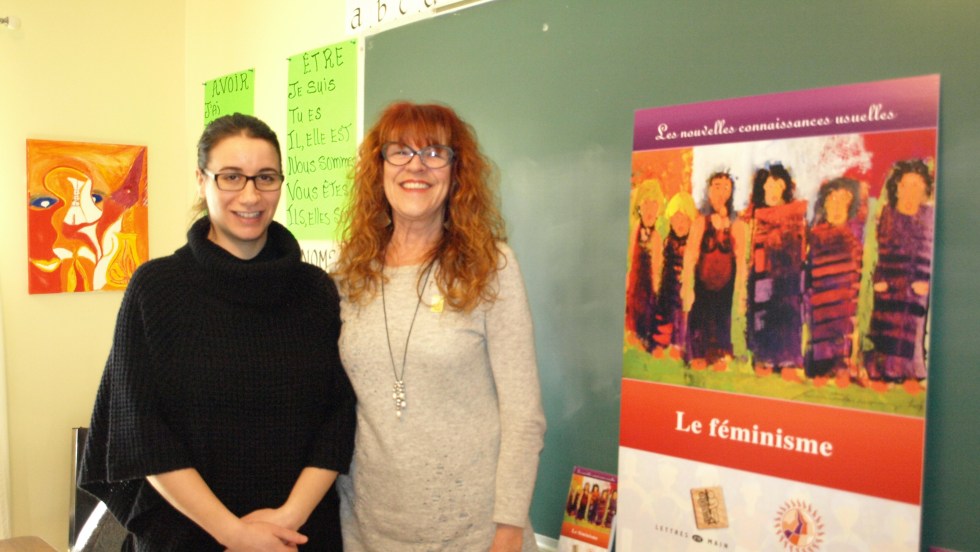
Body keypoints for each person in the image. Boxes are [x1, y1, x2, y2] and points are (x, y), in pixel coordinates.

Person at [78, 113, 356, 551]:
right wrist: (236, 535)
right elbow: (141, 432)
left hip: (297, 538)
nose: (250, 194)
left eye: (265, 177)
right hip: (186, 536)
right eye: (231, 177)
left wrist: (286, 522)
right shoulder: (156, 289)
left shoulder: (315, 291)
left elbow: (337, 419)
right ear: (201, 180)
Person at [333, 101, 546, 551]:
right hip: (367, 530)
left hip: (475, 533)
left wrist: (508, 528)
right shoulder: (350, 275)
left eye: (434, 152)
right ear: (379, 168)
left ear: (456, 171)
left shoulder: (491, 266)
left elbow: (523, 414)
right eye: (400, 151)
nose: (417, 165)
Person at [865, 159, 935, 382]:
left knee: (912, 327)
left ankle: (911, 373)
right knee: (885, 325)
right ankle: (883, 371)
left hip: (918, 284)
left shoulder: (930, 216)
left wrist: (928, 282)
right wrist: (879, 279)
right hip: (889, 281)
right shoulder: (886, 214)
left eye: (916, 185)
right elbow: (876, 252)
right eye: (905, 185)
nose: (910, 191)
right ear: (897, 187)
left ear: (925, 188)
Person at [744, 163, 807, 373]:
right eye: (767, 186)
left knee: (787, 317)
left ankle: (788, 361)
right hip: (762, 277)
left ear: (784, 187)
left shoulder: (797, 215)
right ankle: (764, 359)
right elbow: (750, 251)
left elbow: (802, 249)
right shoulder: (756, 216)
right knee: (762, 317)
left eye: (776, 186)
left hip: (788, 278)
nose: (771, 191)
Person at [681, 171, 746, 368]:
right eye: (716, 186)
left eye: (726, 187)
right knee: (699, 319)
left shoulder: (737, 225)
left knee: (721, 321)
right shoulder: (701, 223)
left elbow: (742, 260)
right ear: (708, 191)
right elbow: (690, 257)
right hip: (702, 287)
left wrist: (742, 291)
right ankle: (697, 355)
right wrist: (687, 287)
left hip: (725, 289)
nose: (721, 192)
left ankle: (719, 354)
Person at [805, 177, 864, 379]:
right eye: (832, 200)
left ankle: (844, 366)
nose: (837, 207)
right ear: (825, 204)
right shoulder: (814, 236)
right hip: (818, 311)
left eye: (843, 201)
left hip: (845, 311)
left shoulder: (855, 239)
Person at [625, 179, 665, 353]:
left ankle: (646, 339)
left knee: (647, 315)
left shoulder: (656, 237)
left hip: (649, 288)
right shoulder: (634, 230)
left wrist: (656, 289)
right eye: (646, 204)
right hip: (634, 285)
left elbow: (657, 268)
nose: (650, 210)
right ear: (639, 207)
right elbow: (629, 259)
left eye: (654, 205)